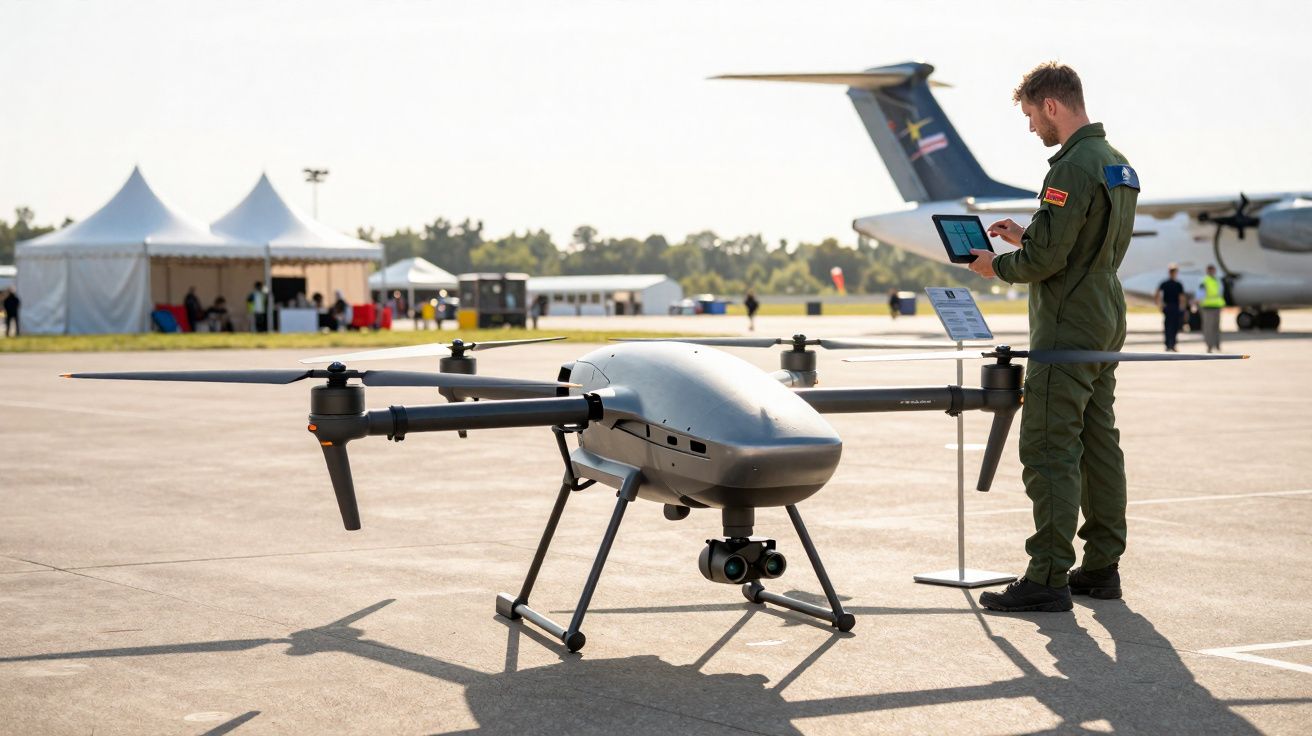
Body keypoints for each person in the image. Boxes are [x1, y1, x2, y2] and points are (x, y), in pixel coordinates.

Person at [966, 62, 1139, 612]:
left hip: (1066, 324)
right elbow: (1083, 243)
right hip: (1105, 314)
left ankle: (1046, 576)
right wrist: (1027, 234)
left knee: (1048, 446)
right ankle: (1102, 567)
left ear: (1052, 106)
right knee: (1098, 443)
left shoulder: (1069, 167)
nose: (1031, 128)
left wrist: (999, 265)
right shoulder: (1118, 163)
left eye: (1030, 116)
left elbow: (1045, 260)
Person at [1153, 265, 1187, 351]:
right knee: (1173, 326)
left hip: (1168, 307)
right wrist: (1182, 308)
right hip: (1173, 307)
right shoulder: (1177, 284)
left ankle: (1169, 345)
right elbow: (1182, 298)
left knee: (1169, 326)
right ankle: (1171, 344)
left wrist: (1159, 304)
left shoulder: (1165, 283)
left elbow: (1157, 294)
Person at [1197, 264, 1225, 353]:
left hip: (1217, 305)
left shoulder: (1217, 280)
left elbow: (1220, 292)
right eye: (1210, 270)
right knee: (1208, 327)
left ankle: (1217, 344)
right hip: (1207, 306)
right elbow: (1200, 293)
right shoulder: (1204, 281)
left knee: (1216, 327)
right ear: (1207, 271)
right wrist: (1199, 302)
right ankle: (1209, 345)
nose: (1212, 272)